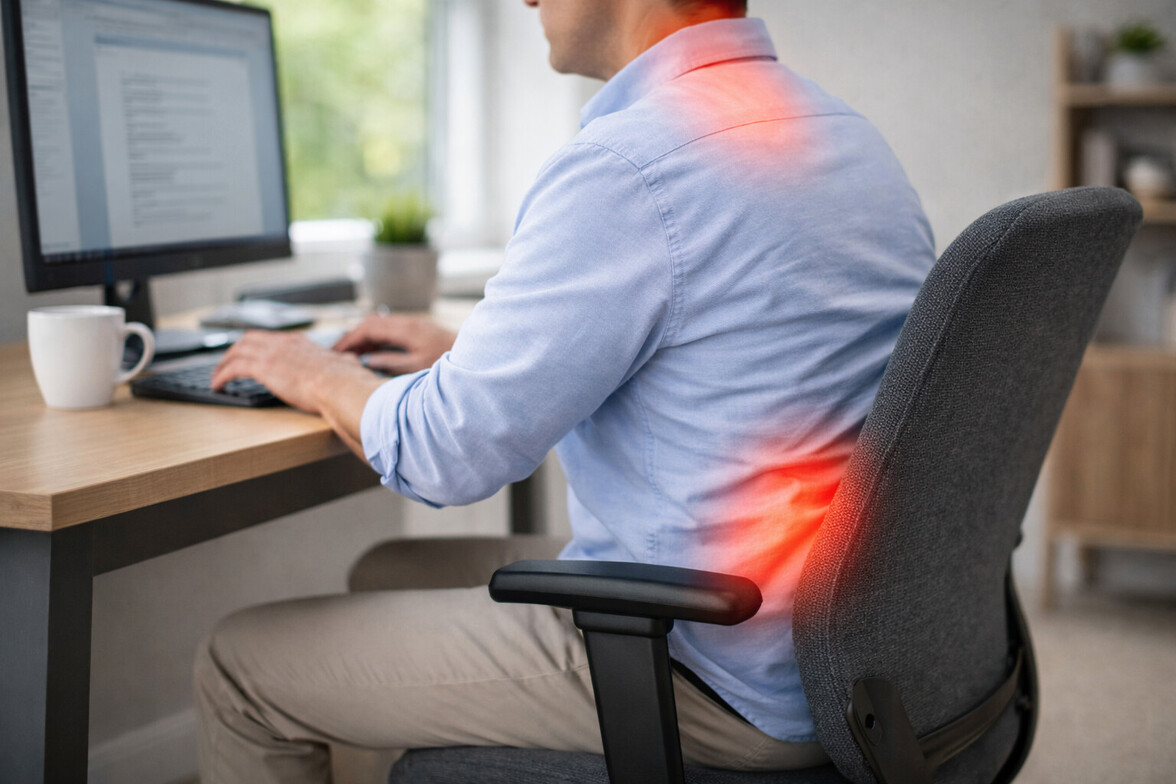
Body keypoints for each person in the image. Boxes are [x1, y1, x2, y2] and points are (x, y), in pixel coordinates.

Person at [195, 0, 936, 781]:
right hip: (842, 645)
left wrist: (317, 374)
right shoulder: (842, 134)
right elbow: (743, 346)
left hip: (711, 666)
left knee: (239, 665)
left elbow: (447, 454)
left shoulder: (633, 162)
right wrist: (479, 357)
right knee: (387, 570)